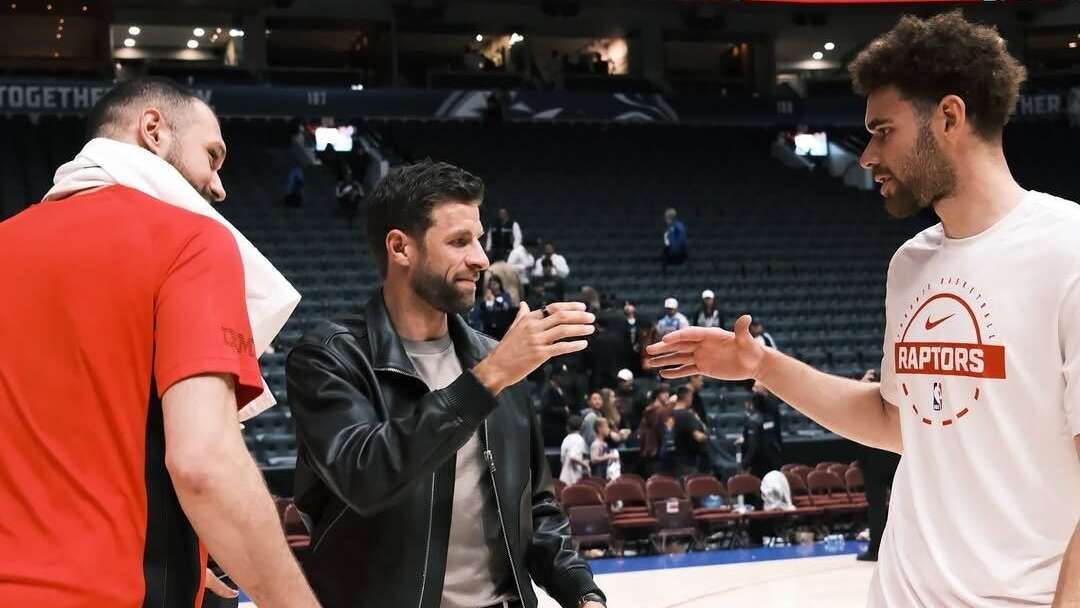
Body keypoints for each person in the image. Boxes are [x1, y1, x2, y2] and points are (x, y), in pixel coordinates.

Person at [647, 12, 1080, 606]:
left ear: (949, 117)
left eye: (883, 131)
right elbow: (896, 423)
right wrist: (762, 366)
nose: (869, 155)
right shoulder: (910, 264)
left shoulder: (1069, 249)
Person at [0, 77, 318, 607]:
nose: (219, 187)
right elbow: (203, 463)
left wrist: (182, 556)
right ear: (153, 131)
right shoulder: (191, 240)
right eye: (212, 157)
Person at [287, 160, 605, 608]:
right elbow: (366, 477)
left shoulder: (495, 356)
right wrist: (490, 377)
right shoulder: (329, 355)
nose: (480, 258)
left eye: (477, 239)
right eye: (459, 242)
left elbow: (535, 508)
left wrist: (581, 591)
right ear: (400, 248)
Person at [856, 369, 900, 563]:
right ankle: (901, 551)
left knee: (876, 507)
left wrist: (860, 385)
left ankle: (876, 549)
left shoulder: (866, 399)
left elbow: (850, 407)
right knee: (899, 506)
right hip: (894, 455)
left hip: (874, 459)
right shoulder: (897, 397)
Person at [662, 386, 708, 478]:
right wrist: (708, 436)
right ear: (688, 397)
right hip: (688, 463)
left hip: (671, 462)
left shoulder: (669, 413)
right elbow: (697, 436)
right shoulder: (687, 415)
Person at [739, 394, 782, 480]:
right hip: (773, 459)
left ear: (752, 404)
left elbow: (753, 445)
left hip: (759, 464)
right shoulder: (770, 419)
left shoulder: (753, 422)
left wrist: (745, 463)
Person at [636, 384, 673, 479]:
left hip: (657, 450)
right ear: (658, 395)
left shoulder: (660, 409)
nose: (667, 395)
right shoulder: (654, 410)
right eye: (664, 393)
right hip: (653, 451)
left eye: (667, 392)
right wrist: (671, 405)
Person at [541, 365, 574, 448]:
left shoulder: (561, 389)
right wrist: (563, 410)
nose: (564, 378)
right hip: (551, 427)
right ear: (555, 376)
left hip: (561, 426)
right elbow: (546, 408)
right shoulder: (548, 389)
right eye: (561, 376)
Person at [480, 274, 515, 339]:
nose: (493, 287)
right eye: (491, 285)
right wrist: (488, 301)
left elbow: (506, 307)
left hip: (502, 326)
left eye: (495, 284)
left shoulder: (505, 295)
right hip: (490, 328)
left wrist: (495, 301)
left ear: (499, 284)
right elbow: (486, 311)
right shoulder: (488, 297)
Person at [559, 415, 590, 485]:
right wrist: (585, 465)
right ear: (581, 427)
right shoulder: (579, 439)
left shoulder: (566, 439)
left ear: (568, 427)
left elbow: (563, 458)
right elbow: (572, 457)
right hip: (573, 478)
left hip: (563, 476)